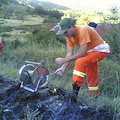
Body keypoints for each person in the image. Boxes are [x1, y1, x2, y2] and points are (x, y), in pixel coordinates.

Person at [55, 18, 111, 103]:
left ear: (72, 27)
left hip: (100, 50)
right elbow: (70, 53)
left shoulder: (83, 30)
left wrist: (64, 60)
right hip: (91, 52)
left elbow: (82, 53)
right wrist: (63, 68)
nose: (64, 34)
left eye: (65, 32)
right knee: (91, 72)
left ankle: (74, 94)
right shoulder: (69, 36)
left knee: (80, 62)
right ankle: (94, 96)